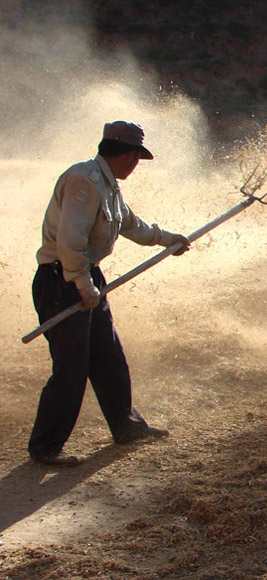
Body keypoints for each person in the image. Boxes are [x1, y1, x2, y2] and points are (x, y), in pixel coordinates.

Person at [29, 120, 191, 467]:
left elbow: (132, 225)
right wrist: (83, 286)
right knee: (72, 367)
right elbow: (69, 241)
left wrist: (169, 239)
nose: (137, 164)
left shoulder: (108, 185)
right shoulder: (85, 181)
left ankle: (126, 427)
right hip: (63, 280)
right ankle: (45, 446)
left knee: (108, 356)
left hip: (85, 278)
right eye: (137, 157)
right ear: (130, 155)